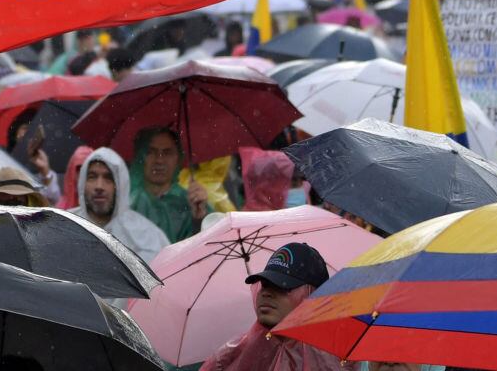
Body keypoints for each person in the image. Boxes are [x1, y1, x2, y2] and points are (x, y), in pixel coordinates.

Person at [200, 242, 355, 371]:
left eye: (282, 286)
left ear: (312, 295)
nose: (266, 293)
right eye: (265, 285)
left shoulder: (346, 358)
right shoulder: (228, 359)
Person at [69, 147, 168, 263]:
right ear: (82, 183)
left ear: (120, 185)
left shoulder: (147, 236)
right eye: (92, 177)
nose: (99, 186)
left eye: (108, 178)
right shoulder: (64, 225)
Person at [128, 127, 210, 243]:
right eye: (151, 152)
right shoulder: (127, 201)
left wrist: (199, 218)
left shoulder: (192, 201)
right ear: (140, 157)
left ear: (178, 158)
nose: (159, 160)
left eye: (167, 153)